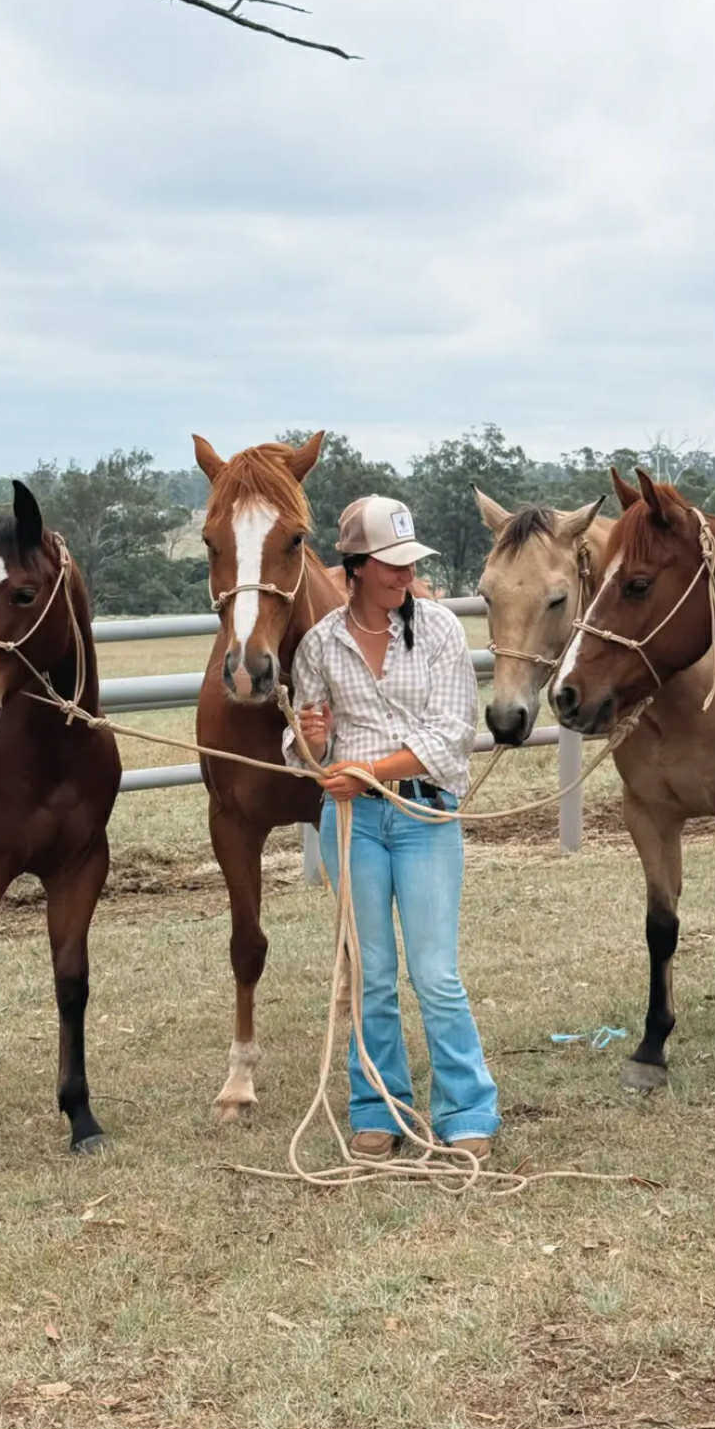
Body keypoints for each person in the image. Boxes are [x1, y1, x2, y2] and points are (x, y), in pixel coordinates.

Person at [282, 495, 500, 1161]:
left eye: (410, 563)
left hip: (424, 814)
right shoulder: (319, 645)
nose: (406, 575)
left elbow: (451, 734)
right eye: (391, 564)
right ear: (356, 567)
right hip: (352, 822)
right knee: (371, 973)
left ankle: (466, 1108)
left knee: (435, 973)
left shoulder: (439, 631)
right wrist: (314, 739)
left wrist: (366, 770)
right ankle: (377, 1104)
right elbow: (306, 755)